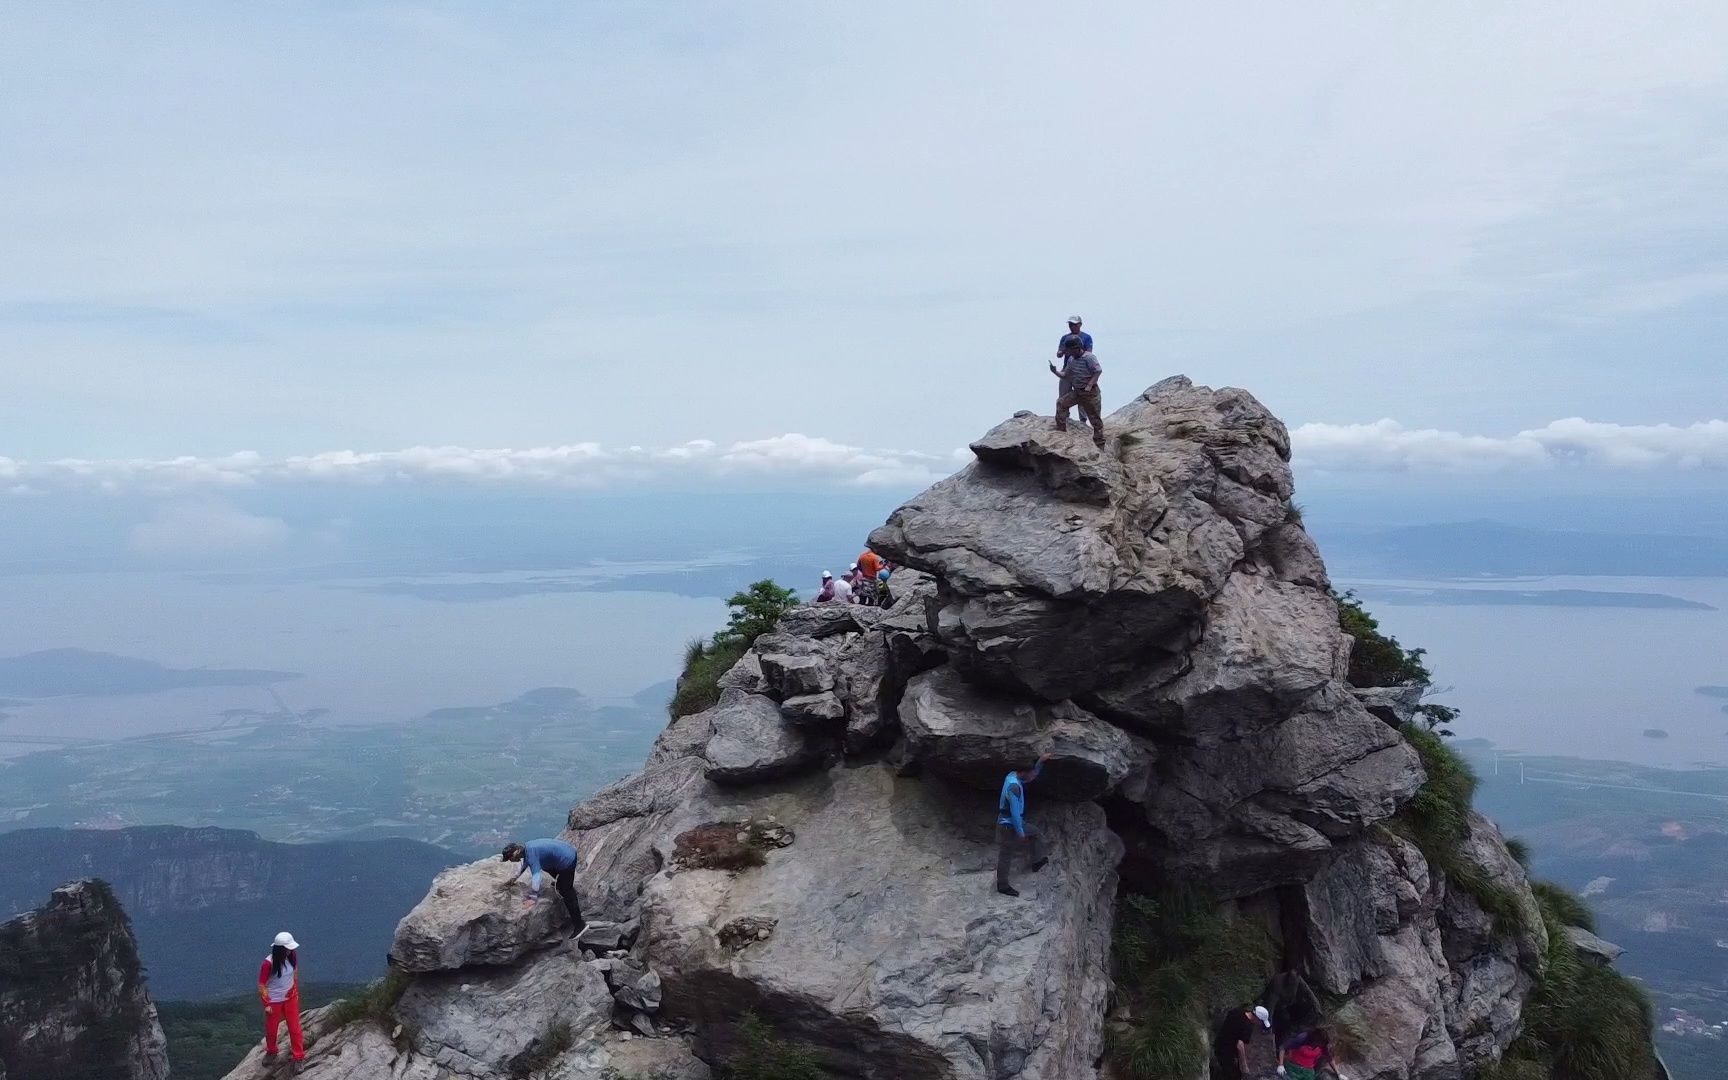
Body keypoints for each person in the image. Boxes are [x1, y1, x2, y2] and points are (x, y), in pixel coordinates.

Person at [502, 838, 586, 937]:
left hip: (567, 859)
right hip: (565, 852)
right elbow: (526, 863)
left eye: (509, 858)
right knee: (545, 865)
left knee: (566, 892)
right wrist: (514, 879)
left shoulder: (531, 855)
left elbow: (536, 876)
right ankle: (562, 882)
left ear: (516, 852)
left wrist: (533, 897)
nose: (510, 861)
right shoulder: (527, 848)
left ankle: (580, 925)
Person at [996, 753, 1052, 896]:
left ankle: (1036, 861)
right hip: (1008, 825)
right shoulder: (1014, 787)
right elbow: (1014, 813)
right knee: (1005, 854)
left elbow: (1032, 774)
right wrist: (1020, 833)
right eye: (1029, 773)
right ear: (1023, 772)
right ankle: (1002, 886)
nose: (1032, 776)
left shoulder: (1012, 775)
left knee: (1036, 833)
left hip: (1010, 821)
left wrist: (1040, 762)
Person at [1051, 317, 1105, 448]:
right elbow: (1065, 374)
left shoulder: (1089, 357)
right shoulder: (1071, 360)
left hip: (1090, 393)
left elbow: (1098, 371)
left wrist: (1089, 384)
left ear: (1077, 348)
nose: (1069, 353)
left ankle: (1099, 444)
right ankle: (1061, 431)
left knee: (1095, 420)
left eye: (1070, 350)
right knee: (1061, 403)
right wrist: (1054, 371)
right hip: (1078, 392)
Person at [257, 931, 305, 1065]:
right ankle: (271, 1051)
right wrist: (266, 1003)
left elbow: (294, 973)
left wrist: (294, 989)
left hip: (290, 997)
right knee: (271, 1029)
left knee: (294, 1028)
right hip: (274, 1000)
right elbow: (262, 985)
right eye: (288, 949)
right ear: (280, 950)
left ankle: (298, 1057)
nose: (291, 951)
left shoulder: (292, 956)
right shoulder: (268, 964)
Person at [1260, 968, 1322, 1044]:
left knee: (1305, 1009)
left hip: (1290, 1003)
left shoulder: (1298, 979)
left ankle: (1294, 1029)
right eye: (1291, 981)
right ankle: (1280, 1039)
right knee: (1284, 1019)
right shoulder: (1278, 982)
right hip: (1279, 1007)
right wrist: (1268, 1023)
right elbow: (1271, 1005)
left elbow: (1308, 991)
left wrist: (1317, 1006)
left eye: (1294, 981)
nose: (1292, 983)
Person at [1212, 1004, 1271, 1080]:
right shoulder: (1248, 1027)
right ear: (1257, 1018)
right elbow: (1240, 1046)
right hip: (1228, 1053)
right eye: (1261, 1022)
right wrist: (1244, 1065)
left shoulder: (1237, 1012)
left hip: (1218, 1044)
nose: (1259, 1024)